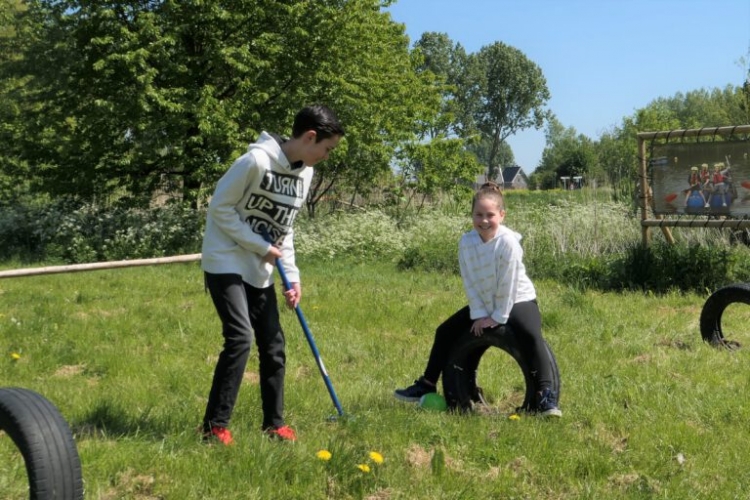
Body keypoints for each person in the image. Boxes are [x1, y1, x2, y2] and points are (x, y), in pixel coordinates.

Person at [200, 104, 345, 444]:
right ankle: (213, 427)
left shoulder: (305, 173)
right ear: (310, 137)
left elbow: (285, 228)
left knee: (274, 344)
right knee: (240, 338)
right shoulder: (255, 162)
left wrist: (291, 277)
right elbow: (219, 208)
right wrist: (257, 244)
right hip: (225, 258)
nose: (327, 156)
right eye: (327, 148)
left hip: (260, 265)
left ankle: (274, 425)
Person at [394, 182, 562, 417]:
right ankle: (427, 383)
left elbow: (508, 284)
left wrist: (497, 317)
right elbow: (470, 282)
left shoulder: (508, 243)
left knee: (530, 334)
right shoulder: (466, 243)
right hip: (485, 302)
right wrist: (480, 314)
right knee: (445, 331)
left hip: (517, 299)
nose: (484, 220)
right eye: (478, 215)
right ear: (471, 215)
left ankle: (545, 395)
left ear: (502, 215)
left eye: (490, 215)